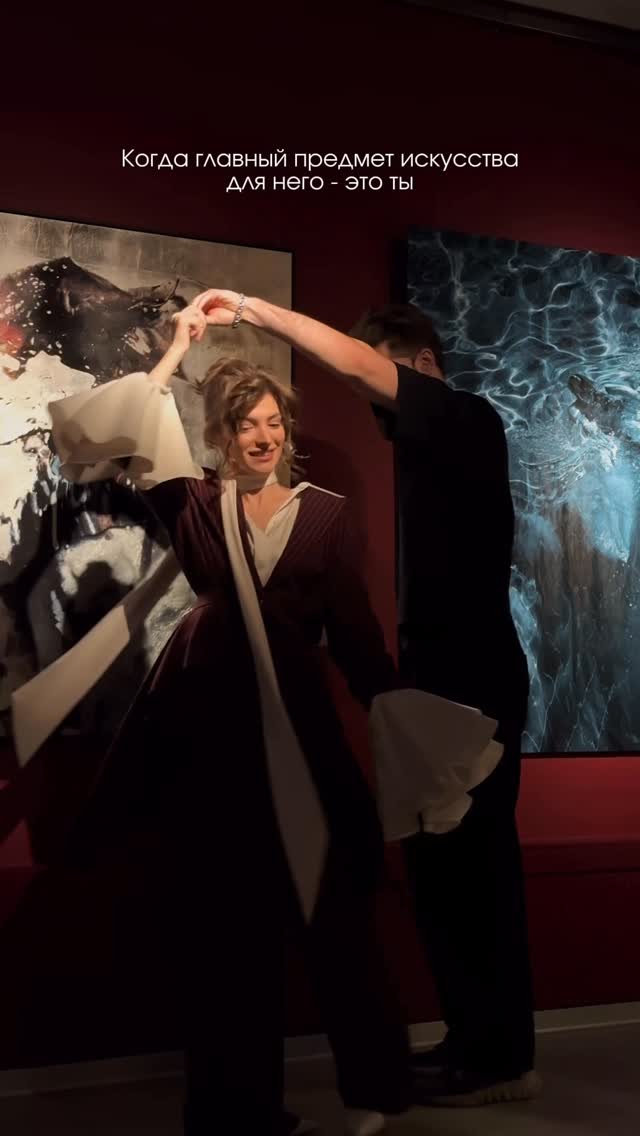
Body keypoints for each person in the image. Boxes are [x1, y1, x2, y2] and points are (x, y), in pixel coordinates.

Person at [11, 305, 501, 1135]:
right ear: (222, 436)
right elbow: (126, 428)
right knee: (225, 929)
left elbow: (352, 630)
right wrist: (177, 346)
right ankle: (234, 1108)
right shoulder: (194, 503)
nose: (264, 436)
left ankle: (375, 1086)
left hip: (301, 731)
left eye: (274, 422)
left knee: (335, 907)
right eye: (247, 424)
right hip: (209, 734)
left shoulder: (327, 515)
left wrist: (398, 707)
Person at [188, 289, 539, 1108]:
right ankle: (475, 1040)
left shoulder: (465, 419)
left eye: (382, 381)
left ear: (421, 367)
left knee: (476, 867)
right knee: (441, 870)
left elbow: (352, 365)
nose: (373, 403)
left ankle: (503, 1059)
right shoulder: (429, 448)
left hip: (473, 686)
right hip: (438, 683)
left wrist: (253, 310)